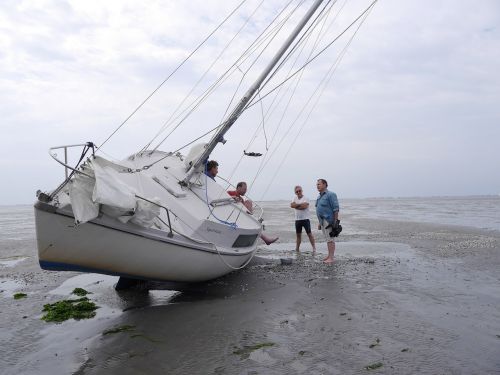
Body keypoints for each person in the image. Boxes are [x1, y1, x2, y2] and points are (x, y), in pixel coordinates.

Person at [227, 181, 278, 246]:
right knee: (248, 202)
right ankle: (265, 239)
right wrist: (233, 198)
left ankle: (252, 220)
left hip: (241, 217)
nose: (245, 191)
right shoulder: (230, 193)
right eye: (244, 189)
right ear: (239, 188)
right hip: (231, 216)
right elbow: (223, 198)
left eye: (246, 189)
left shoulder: (241, 199)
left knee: (248, 202)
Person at [315, 178, 339, 264]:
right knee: (327, 239)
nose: (317, 186)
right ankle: (329, 255)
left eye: (319, 184)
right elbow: (320, 210)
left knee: (330, 239)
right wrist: (319, 222)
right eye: (317, 184)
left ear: (325, 184)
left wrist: (335, 221)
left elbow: (336, 209)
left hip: (329, 221)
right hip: (322, 221)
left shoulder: (331, 194)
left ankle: (331, 258)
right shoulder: (319, 196)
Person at [290, 185, 316, 254]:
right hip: (297, 220)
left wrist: (296, 206)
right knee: (298, 235)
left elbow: (304, 207)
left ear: (302, 190)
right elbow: (292, 205)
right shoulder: (294, 198)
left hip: (305, 219)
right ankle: (297, 249)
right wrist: (299, 205)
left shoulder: (306, 198)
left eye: (299, 191)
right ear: (295, 192)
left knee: (309, 234)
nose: (298, 192)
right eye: (297, 191)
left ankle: (314, 248)